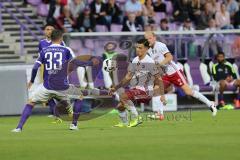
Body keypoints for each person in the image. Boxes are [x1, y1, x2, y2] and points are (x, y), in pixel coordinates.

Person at [12, 30, 100, 132]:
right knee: (79, 97)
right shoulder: (66, 50)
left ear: (51, 38)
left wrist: (31, 81)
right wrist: (90, 63)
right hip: (63, 86)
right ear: (61, 38)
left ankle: (19, 127)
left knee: (31, 103)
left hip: (47, 86)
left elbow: (36, 67)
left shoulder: (44, 51)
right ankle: (74, 125)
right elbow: (76, 62)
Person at [144, 31, 217, 117]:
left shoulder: (160, 45)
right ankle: (160, 114)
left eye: (150, 38)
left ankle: (210, 104)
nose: (148, 40)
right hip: (165, 75)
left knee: (188, 91)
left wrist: (160, 65)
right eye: (146, 39)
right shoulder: (148, 50)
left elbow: (169, 57)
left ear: (154, 38)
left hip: (175, 72)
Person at [109, 38, 165, 127]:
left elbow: (159, 78)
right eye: (137, 47)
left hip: (146, 92)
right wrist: (116, 87)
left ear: (146, 49)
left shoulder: (150, 62)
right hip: (136, 89)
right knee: (120, 106)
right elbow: (128, 77)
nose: (137, 50)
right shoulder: (135, 60)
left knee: (123, 96)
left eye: (140, 48)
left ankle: (136, 118)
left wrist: (161, 94)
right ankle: (124, 123)